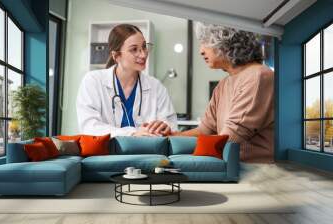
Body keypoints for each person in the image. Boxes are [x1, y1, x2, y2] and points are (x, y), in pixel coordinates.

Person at [173, 23, 274, 163]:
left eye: (206, 42)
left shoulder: (258, 76)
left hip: (255, 172)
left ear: (228, 42)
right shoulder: (222, 85)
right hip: (229, 167)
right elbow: (204, 131)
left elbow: (230, 136)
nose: (201, 51)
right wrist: (168, 137)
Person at [76, 24, 177, 137]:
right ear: (116, 56)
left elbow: (171, 126)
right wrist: (133, 133)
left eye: (144, 47)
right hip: (105, 153)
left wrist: (165, 127)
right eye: (134, 49)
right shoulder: (93, 81)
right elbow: (89, 127)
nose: (143, 54)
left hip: (147, 152)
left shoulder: (156, 87)